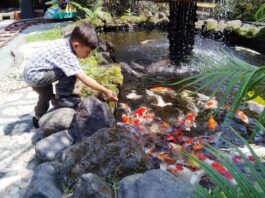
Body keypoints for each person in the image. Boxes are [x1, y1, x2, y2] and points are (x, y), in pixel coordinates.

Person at [23, 22, 118, 128]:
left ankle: (37, 118)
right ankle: (63, 97)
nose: (89, 55)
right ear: (76, 45)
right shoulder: (67, 55)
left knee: (45, 95)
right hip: (36, 76)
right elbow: (84, 78)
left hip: (31, 73)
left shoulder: (65, 42)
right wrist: (105, 91)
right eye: (87, 52)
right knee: (72, 71)